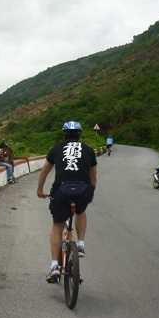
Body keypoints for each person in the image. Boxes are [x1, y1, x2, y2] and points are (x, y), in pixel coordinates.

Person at [36, 121, 97, 283]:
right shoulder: (89, 150)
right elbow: (93, 179)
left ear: (64, 134)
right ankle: (81, 243)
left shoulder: (56, 149)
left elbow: (44, 171)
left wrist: (40, 190)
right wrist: (89, 194)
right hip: (83, 191)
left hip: (61, 192)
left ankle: (55, 266)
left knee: (58, 225)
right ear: (80, 135)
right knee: (81, 212)